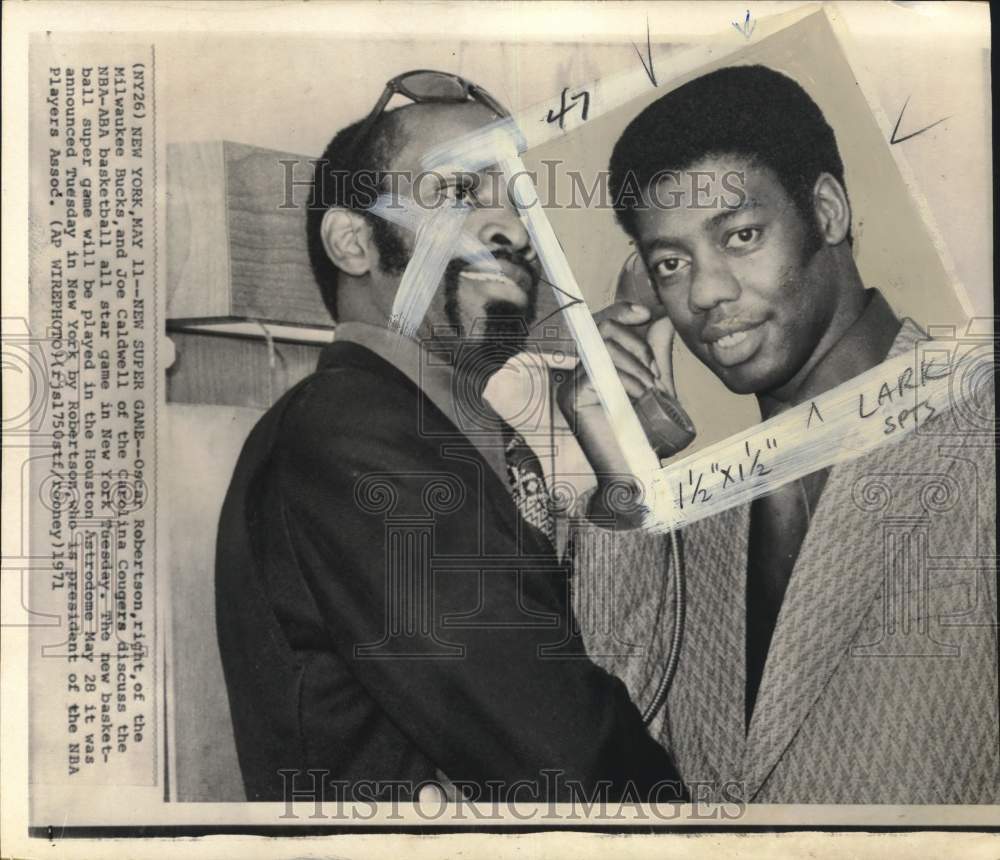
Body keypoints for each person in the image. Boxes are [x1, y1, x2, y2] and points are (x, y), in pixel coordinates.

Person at [215, 70, 683, 803]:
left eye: (520, 203)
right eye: (460, 193)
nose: (516, 232)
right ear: (353, 241)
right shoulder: (350, 432)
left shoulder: (444, 431)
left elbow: (585, 673)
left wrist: (619, 462)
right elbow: (567, 761)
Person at [561, 65, 997, 804]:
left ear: (826, 212)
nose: (705, 293)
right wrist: (623, 480)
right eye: (671, 263)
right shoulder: (693, 513)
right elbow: (610, 752)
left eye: (740, 235)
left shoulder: (978, 432)